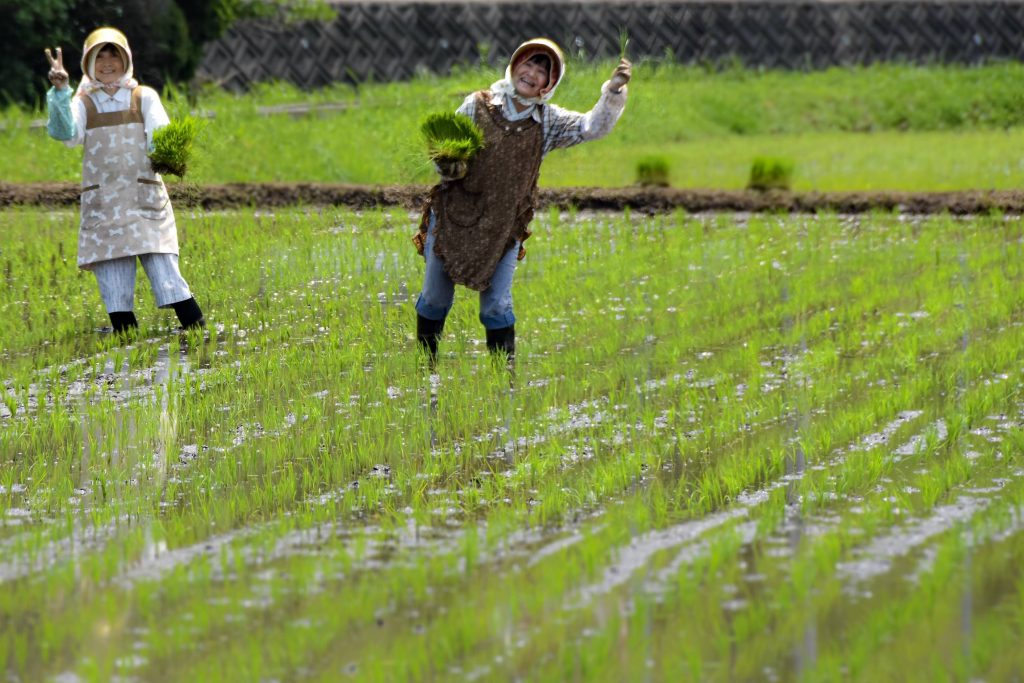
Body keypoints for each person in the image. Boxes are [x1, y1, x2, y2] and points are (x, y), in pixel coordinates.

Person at [413, 38, 630, 367]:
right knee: (435, 297)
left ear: (550, 83)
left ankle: (504, 379)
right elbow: (442, 150)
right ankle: (425, 368)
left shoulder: (549, 122)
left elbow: (591, 127)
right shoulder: (477, 105)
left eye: (543, 70)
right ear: (515, 66)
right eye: (528, 63)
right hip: (454, 219)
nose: (532, 73)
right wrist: (446, 164)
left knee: (496, 305)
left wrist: (612, 92)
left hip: (504, 227)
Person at [44, 27, 205, 334]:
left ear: (126, 59)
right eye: (99, 56)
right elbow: (66, 136)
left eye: (113, 54)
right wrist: (62, 92)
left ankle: (201, 337)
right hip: (104, 203)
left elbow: (161, 134)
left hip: (142, 198)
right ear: (89, 63)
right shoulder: (83, 102)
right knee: (114, 286)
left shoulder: (142, 96)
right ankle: (127, 357)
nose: (107, 63)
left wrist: (169, 154)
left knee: (166, 274)